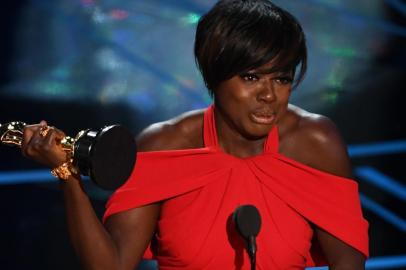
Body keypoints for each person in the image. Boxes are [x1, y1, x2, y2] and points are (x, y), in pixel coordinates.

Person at [21, 0, 369, 269]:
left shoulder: (315, 143)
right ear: (215, 76)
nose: (269, 95)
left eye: (281, 78)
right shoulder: (162, 146)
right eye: (251, 77)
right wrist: (67, 175)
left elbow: (349, 262)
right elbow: (111, 265)